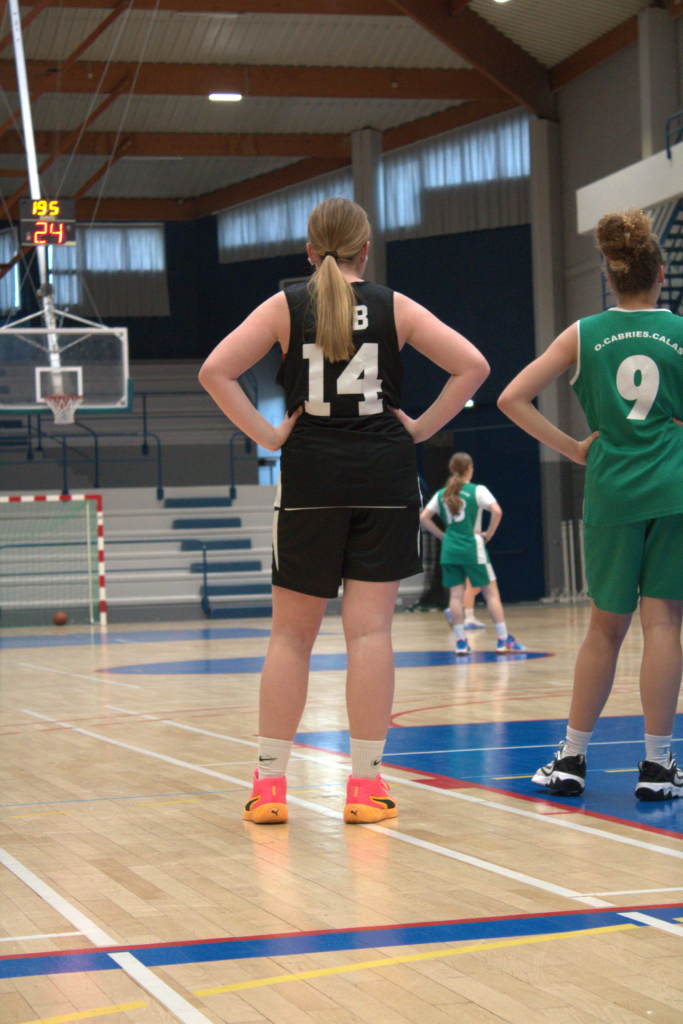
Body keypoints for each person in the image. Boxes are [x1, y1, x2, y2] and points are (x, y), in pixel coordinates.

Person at [199, 197, 489, 824]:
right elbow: (474, 365)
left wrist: (269, 434)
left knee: (290, 637)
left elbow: (215, 371)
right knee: (370, 634)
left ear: (310, 252)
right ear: (367, 249)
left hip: (311, 476)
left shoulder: (285, 305)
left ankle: (269, 787)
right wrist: (420, 428)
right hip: (384, 475)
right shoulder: (395, 306)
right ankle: (365, 787)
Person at [498, 207, 683, 801]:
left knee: (605, 627)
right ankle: (657, 766)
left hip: (610, 490)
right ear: (661, 276)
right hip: (674, 490)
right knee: (664, 623)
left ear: (610, 277)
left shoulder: (583, 333)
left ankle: (573, 758)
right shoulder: (680, 332)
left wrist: (575, 448)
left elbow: (511, 398)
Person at [420, 452, 526, 655]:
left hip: (450, 549)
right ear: (469, 468)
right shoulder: (478, 490)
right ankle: (503, 639)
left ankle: (461, 642)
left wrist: (442, 536)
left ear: (452, 469)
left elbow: (424, 518)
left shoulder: (442, 493)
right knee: (491, 594)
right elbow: (497, 511)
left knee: (455, 596)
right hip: (472, 547)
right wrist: (489, 534)